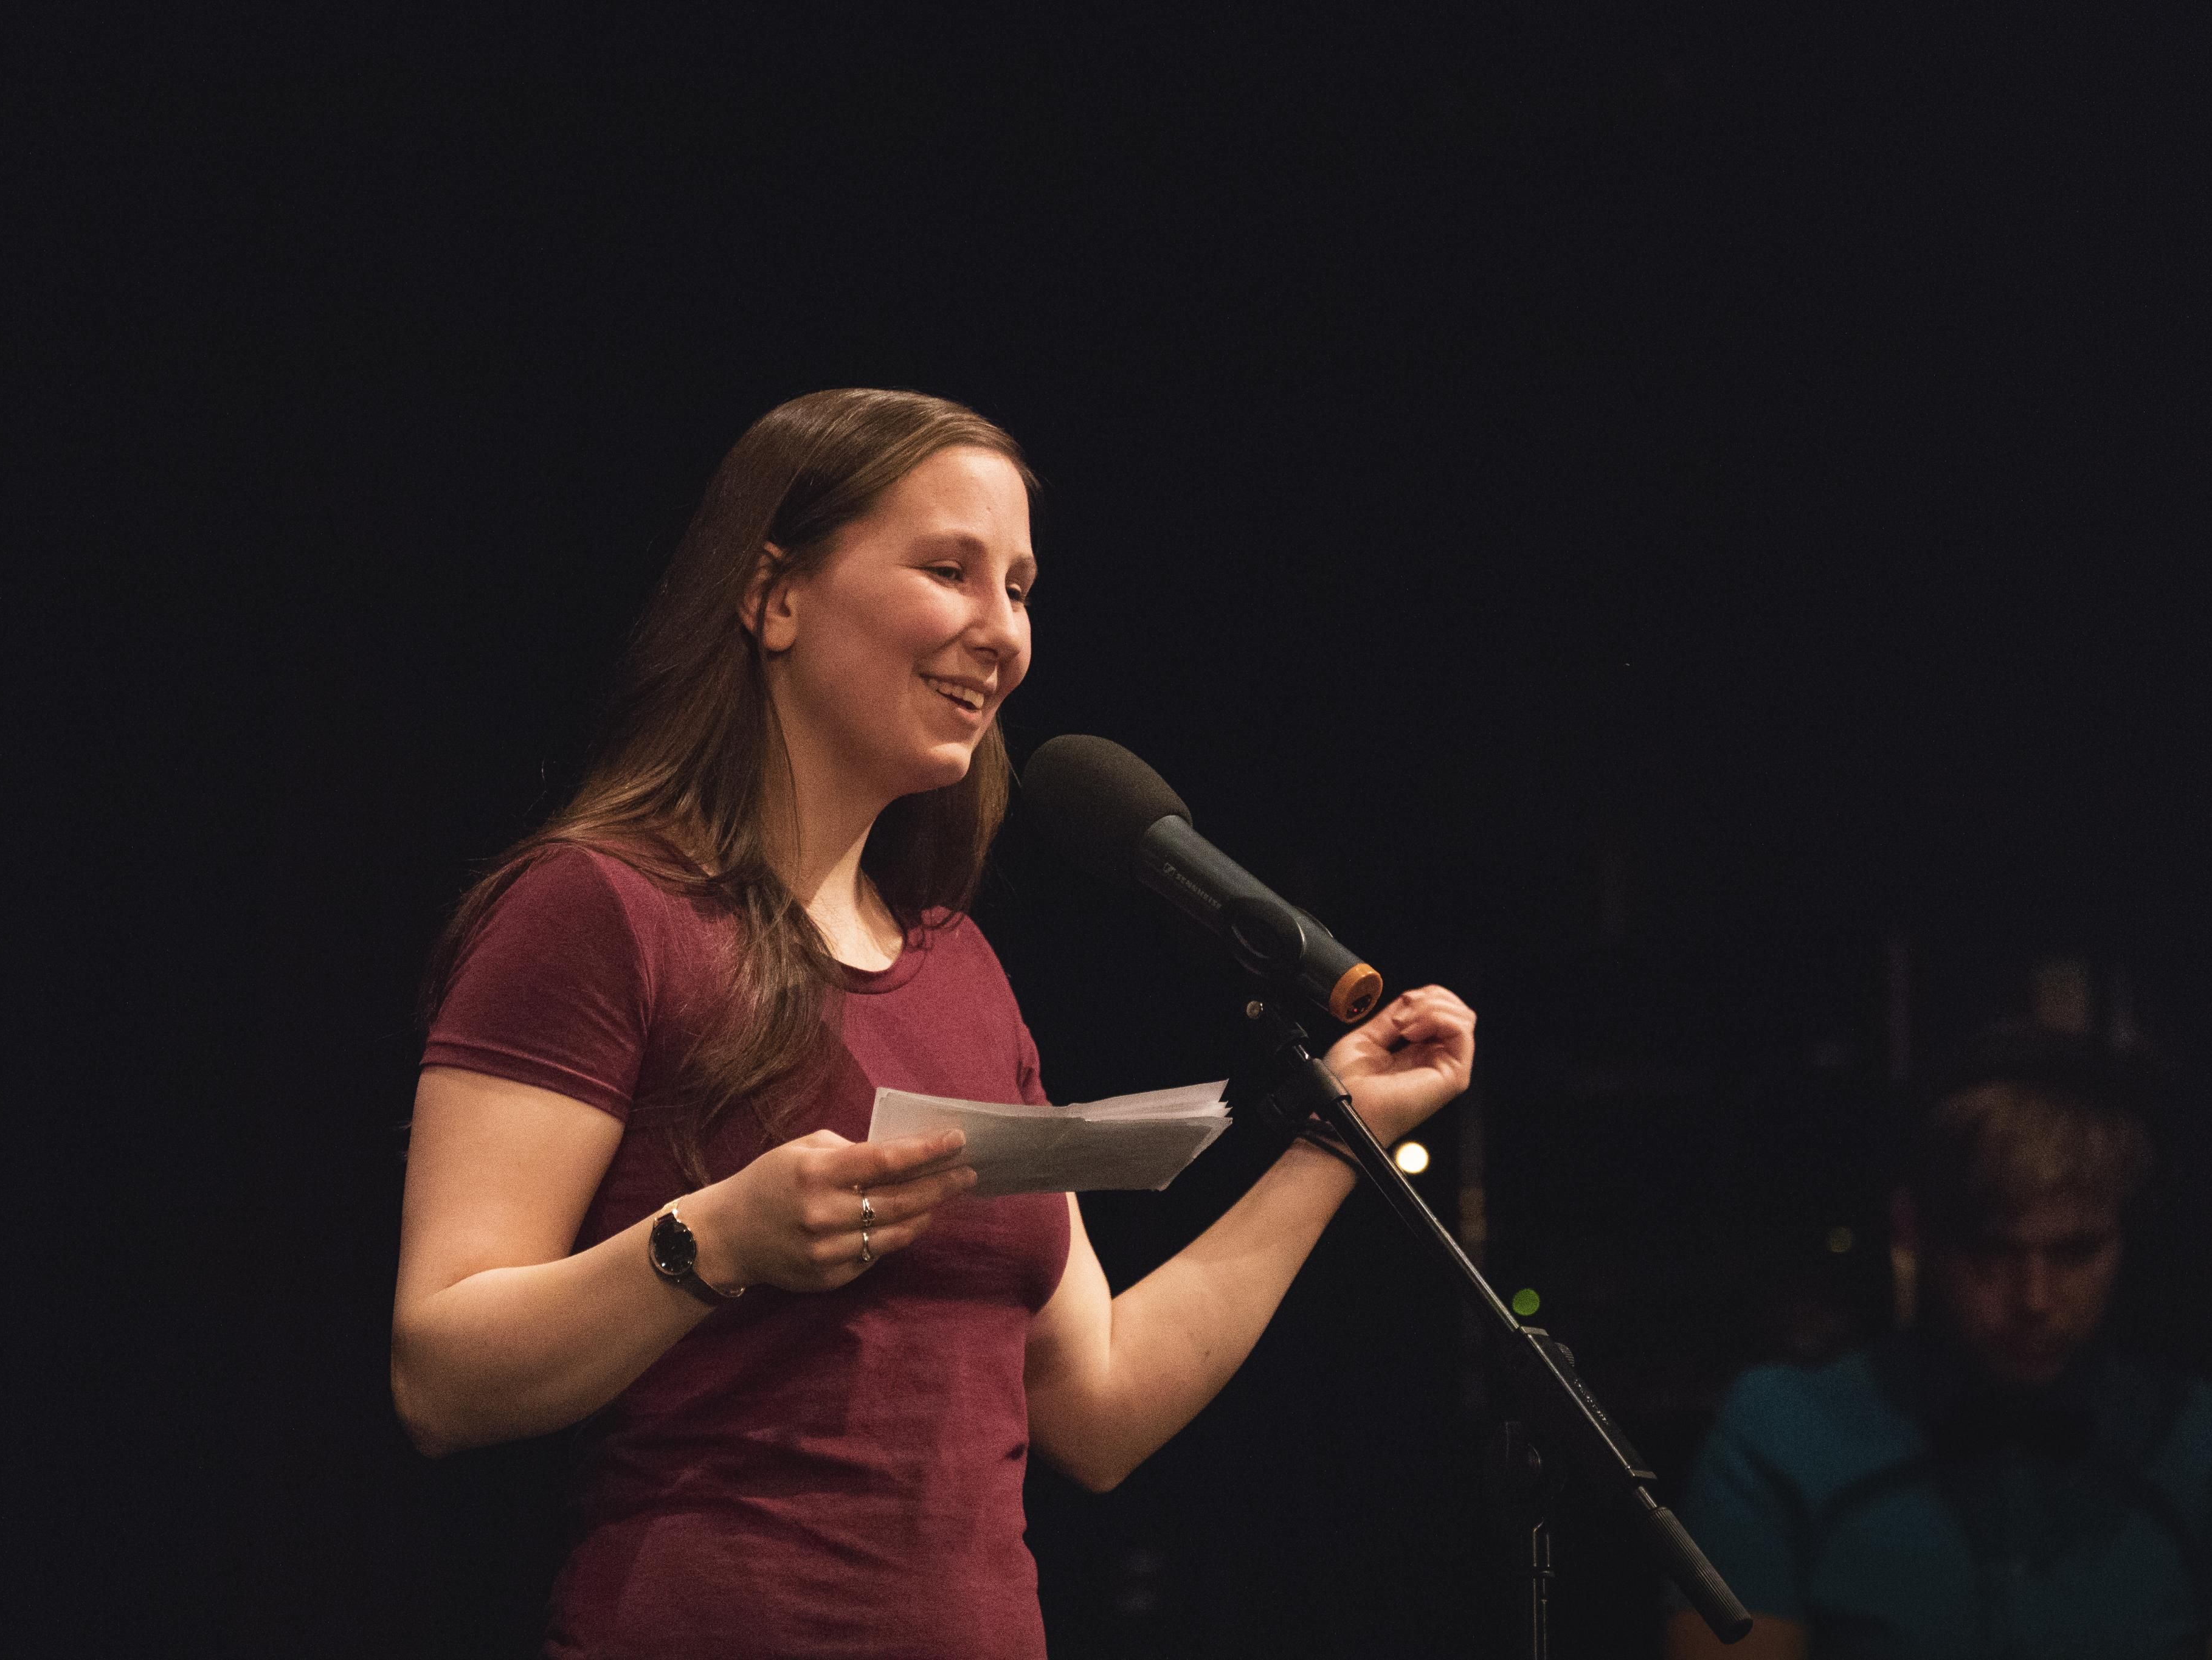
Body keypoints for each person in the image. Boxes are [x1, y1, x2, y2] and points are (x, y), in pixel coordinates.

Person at [390, 388, 1478, 1659]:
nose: (1001, 633)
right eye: (949, 571)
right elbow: (440, 1376)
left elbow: (1099, 1406)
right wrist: (717, 1238)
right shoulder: (599, 909)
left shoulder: (958, 967)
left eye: (1019, 588)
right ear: (774, 597)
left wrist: (1337, 1138)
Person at [1667, 1026, 2212, 1660]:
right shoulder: (1783, 1433)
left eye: (2075, 1252)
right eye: (1990, 1250)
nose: (2034, 1299)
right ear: (1913, 1231)